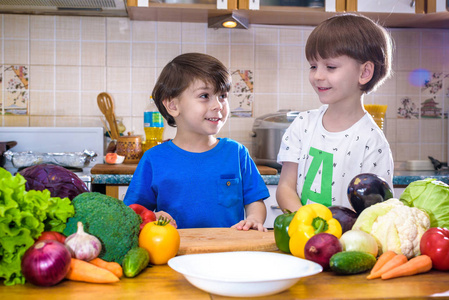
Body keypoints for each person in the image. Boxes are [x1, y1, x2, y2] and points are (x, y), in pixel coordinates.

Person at [124, 52, 269, 232]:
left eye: (222, 96)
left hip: (229, 253)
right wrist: (154, 217)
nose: (218, 105)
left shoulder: (236, 153)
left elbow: (255, 200)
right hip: (174, 252)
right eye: (204, 96)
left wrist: (254, 219)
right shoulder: (154, 159)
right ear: (173, 106)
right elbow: (133, 212)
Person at [276, 13, 394, 212]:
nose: (317, 76)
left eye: (330, 67)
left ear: (365, 72)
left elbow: (376, 213)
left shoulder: (372, 142)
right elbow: (285, 188)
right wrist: (305, 222)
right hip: (301, 237)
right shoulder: (303, 124)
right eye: (313, 66)